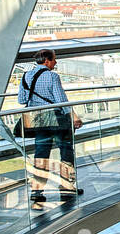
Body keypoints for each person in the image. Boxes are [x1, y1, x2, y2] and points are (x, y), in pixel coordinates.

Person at [17, 49, 83, 203]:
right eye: (54, 59)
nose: (55, 62)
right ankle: (67, 187)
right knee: (66, 150)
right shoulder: (53, 76)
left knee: (41, 154)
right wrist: (73, 117)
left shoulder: (26, 76)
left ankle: (37, 191)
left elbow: (22, 99)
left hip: (37, 120)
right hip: (55, 119)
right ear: (46, 60)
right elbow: (61, 100)